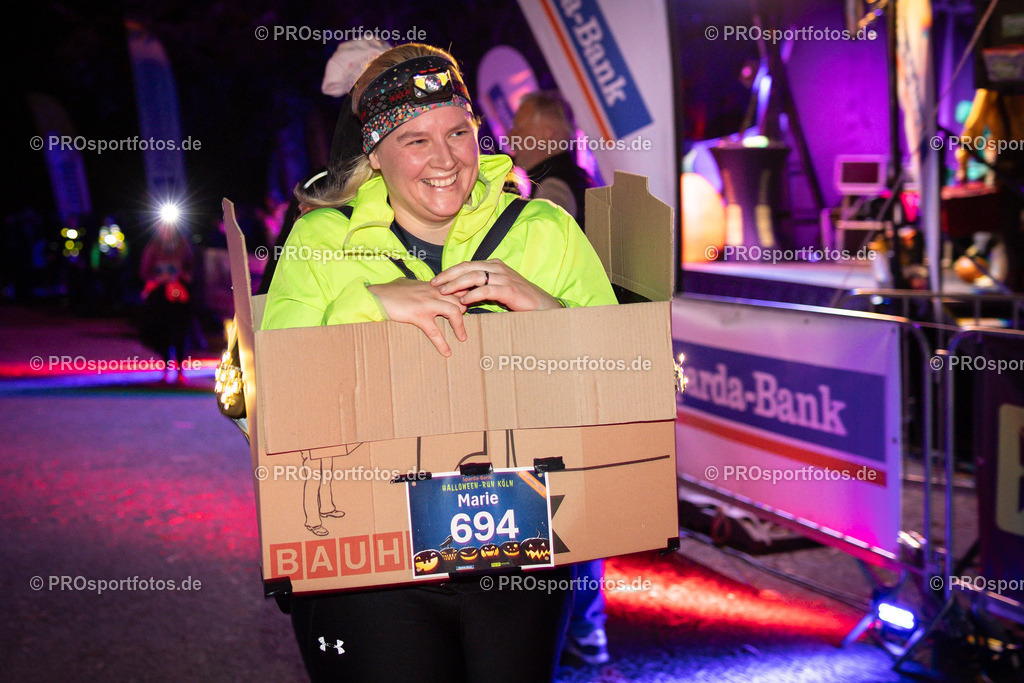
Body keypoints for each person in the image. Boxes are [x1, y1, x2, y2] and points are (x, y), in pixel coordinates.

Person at [261, 43, 616, 681]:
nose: (446, 158)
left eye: (458, 131)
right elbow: (274, 402)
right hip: (371, 560)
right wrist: (368, 302)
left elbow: (626, 384)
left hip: (520, 547)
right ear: (374, 153)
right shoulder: (321, 239)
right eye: (415, 139)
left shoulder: (544, 229)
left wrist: (541, 305)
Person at [510, 90, 610, 666]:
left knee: (561, 503)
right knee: (578, 499)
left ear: (546, 132)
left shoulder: (552, 193)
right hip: (587, 354)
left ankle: (576, 630)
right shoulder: (585, 181)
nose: (514, 141)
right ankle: (585, 629)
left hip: (559, 362)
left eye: (522, 130)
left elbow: (533, 280)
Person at [508, 90, 596, 232]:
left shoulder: (555, 186)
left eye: (518, 128)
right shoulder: (570, 178)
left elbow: (538, 242)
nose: (509, 136)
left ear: (546, 135)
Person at [139, 220, 194, 383]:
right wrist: (158, 278)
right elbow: (145, 270)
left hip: (179, 297)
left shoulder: (183, 246)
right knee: (161, 331)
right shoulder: (153, 246)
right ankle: (164, 368)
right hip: (159, 296)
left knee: (180, 332)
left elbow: (190, 267)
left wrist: (181, 275)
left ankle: (180, 370)